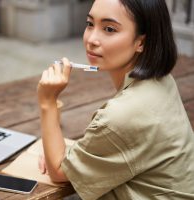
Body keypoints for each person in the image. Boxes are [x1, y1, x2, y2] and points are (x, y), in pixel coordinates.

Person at [37, 0, 194, 199]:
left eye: (109, 29)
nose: (92, 39)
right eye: (90, 24)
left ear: (142, 42)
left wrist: (48, 102)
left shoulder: (121, 115)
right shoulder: (162, 81)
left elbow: (59, 171)